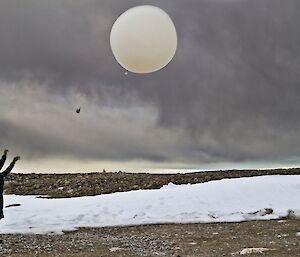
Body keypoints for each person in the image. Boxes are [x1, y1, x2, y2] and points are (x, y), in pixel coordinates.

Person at [0, 149, 20, 220]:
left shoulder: (1, 175)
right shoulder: (1, 175)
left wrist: (5, 156)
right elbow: (5, 168)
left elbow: (5, 168)